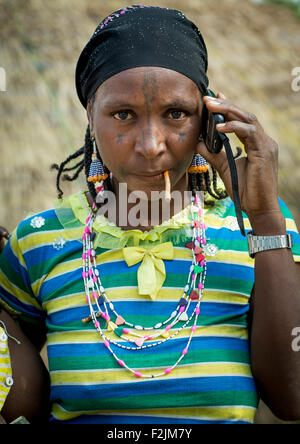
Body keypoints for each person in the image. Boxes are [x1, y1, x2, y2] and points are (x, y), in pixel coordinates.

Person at [1, 5, 300, 424]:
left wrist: (265, 218)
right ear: (90, 114)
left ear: (208, 120)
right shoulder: (36, 242)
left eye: (176, 114)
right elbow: (23, 407)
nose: (150, 145)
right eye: (123, 114)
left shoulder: (259, 231)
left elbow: (293, 398)